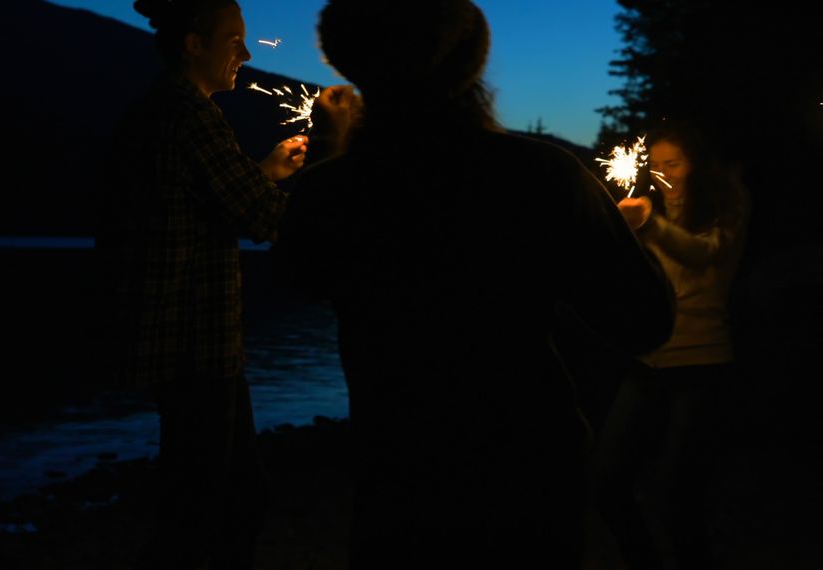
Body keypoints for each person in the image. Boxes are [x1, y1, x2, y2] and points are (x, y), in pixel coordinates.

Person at [271, 1, 675, 567]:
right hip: (528, 467)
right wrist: (625, 235)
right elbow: (645, 321)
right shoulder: (544, 175)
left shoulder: (329, 192)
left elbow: (298, 278)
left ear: (352, 63)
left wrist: (338, 155)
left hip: (398, 471)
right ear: (470, 62)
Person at [97, 1, 330, 567]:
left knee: (221, 493)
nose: (247, 55)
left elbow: (209, 204)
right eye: (233, 41)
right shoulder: (189, 115)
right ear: (193, 45)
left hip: (190, 341)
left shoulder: (168, 110)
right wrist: (329, 164)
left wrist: (268, 170)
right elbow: (263, 218)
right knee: (211, 504)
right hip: (193, 341)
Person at [597, 121, 750, 569]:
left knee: (677, 500)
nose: (666, 173)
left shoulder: (727, 205)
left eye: (675, 163)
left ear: (695, 165)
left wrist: (651, 227)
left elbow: (704, 253)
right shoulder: (650, 213)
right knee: (605, 482)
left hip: (701, 363)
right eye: (658, 164)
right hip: (648, 361)